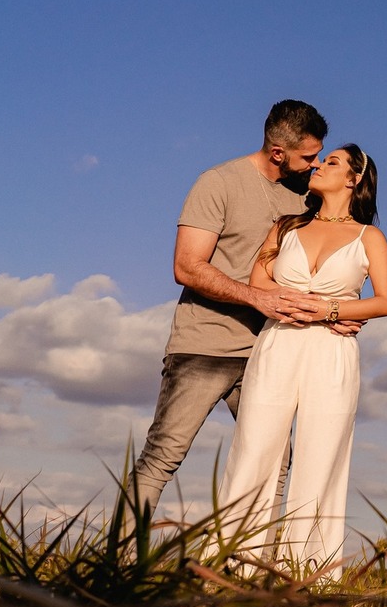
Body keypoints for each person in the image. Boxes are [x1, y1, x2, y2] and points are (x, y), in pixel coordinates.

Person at [130, 99, 336, 520]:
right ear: (278, 152)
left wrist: (336, 314)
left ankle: (248, 566)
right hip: (203, 346)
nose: (315, 165)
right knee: (163, 456)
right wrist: (256, 297)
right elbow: (187, 267)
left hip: (268, 353)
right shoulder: (219, 182)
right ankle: (118, 566)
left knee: (274, 463)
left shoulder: (304, 198)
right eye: (309, 156)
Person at [212, 143, 387, 572]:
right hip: (278, 344)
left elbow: (385, 301)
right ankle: (234, 567)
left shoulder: (371, 238)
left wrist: (333, 311)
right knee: (254, 449)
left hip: (332, 353)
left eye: (331, 162)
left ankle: (308, 573)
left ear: (353, 179)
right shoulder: (285, 226)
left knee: (321, 455)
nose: (318, 165)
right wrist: (306, 305)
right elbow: (259, 284)